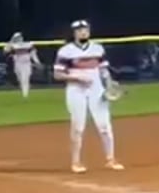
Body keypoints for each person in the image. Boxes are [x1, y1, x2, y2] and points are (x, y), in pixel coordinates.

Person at [52, 20, 121, 174]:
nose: (83, 32)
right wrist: (77, 78)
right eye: (80, 30)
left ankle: (111, 159)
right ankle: (76, 162)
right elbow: (57, 74)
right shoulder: (66, 51)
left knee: (104, 126)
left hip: (97, 90)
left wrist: (109, 82)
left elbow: (104, 70)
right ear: (74, 33)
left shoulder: (98, 48)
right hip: (76, 90)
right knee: (78, 127)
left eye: (85, 29)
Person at [6, 32, 37, 98]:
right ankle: (24, 91)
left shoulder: (28, 44)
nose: (19, 38)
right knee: (20, 79)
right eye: (17, 37)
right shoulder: (14, 45)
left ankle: (25, 95)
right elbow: (6, 49)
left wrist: (36, 61)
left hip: (26, 64)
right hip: (18, 64)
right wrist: (11, 40)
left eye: (20, 37)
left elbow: (33, 53)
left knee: (25, 79)